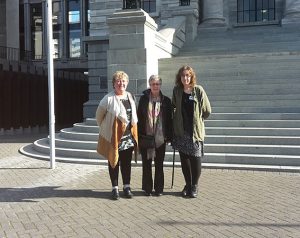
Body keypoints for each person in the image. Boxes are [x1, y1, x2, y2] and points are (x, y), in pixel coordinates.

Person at [96, 71, 138, 200]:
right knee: (113, 162)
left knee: (126, 163)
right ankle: (115, 188)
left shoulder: (130, 96)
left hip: (128, 138)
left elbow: (132, 117)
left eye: (123, 81)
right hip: (114, 138)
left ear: (127, 83)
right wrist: (107, 128)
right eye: (118, 81)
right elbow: (99, 117)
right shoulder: (108, 99)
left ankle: (126, 187)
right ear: (114, 84)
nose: (121, 83)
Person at [172, 65, 211, 198]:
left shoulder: (198, 90)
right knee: (184, 160)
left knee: (195, 159)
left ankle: (194, 185)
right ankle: (187, 184)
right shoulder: (177, 91)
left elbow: (207, 111)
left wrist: (198, 120)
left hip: (194, 132)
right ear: (180, 77)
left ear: (191, 76)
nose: (185, 78)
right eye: (183, 75)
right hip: (181, 131)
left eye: (188, 75)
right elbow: (174, 107)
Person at [137, 75, 172, 196]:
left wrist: (169, 136)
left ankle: (159, 189)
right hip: (146, 136)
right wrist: (138, 134)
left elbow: (169, 120)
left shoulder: (166, 100)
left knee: (159, 163)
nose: (155, 86)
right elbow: (139, 117)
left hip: (160, 137)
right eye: (153, 84)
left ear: (160, 85)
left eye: (157, 84)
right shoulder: (143, 99)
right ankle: (147, 188)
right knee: (146, 164)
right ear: (149, 85)